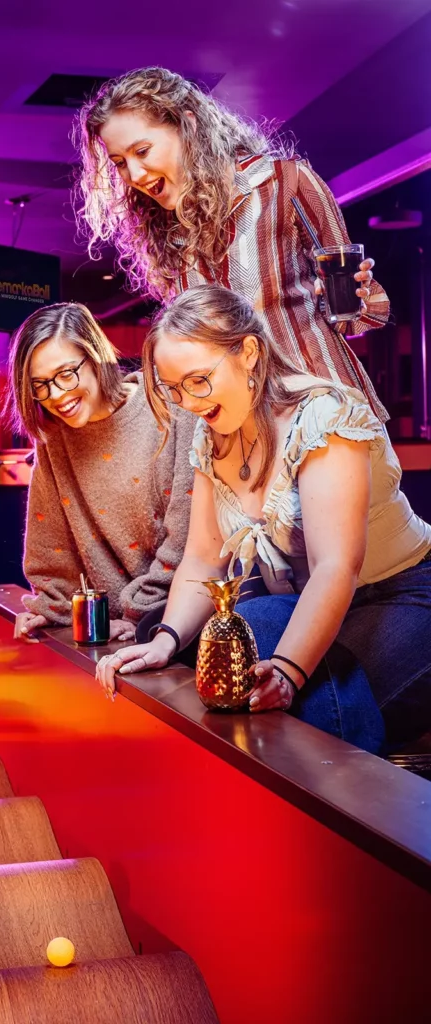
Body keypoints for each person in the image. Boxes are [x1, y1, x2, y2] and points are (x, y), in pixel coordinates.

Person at [96, 286, 431, 754]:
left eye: (198, 380)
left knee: (272, 640)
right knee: (245, 627)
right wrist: (166, 641)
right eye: (174, 389)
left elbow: (336, 568)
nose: (190, 402)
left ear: (249, 353)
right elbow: (202, 558)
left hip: (402, 594)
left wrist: (290, 673)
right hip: (316, 603)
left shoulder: (323, 416)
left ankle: (345, 813)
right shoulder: (214, 435)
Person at [74, 66, 390, 421]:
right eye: (120, 163)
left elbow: (354, 318)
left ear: (188, 125)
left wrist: (355, 296)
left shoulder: (286, 183)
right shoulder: (165, 232)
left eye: (143, 151)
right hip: (237, 429)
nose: (134, 175)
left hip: (319, 407)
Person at [0, 302, 195, 644]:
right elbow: (51, 551)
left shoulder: (170, 405)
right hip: (110, 633)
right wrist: (50, 608)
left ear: (96, 357)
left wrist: (140, 615)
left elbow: (187, 537)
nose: (56, 395)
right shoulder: (53, 441)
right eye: (40, 385)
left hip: (186, 616)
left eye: (65, 374)